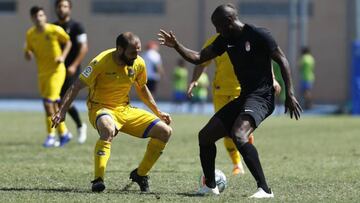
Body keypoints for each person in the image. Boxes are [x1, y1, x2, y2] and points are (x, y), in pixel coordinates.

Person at [158, 3, 301, 198]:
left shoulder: (258, 35)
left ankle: (265, 190)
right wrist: (176, 46)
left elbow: (282, 60)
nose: (216, 30)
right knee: (205, 136)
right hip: (244, 96)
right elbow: (199, 57)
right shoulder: (224, 40)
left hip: (262, 97)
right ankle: (210, 186)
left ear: (229, 21)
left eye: (218, 25)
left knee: (239, 134)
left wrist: (290, 93)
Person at [52, 32, 172, 193]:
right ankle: (98, 180)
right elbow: (76, 86)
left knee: (165, 131)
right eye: (132, 53)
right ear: (119, 49)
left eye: (138, 51)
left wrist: (158, 112)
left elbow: (142, 88)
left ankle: (140, 174)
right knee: (108, 129)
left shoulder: (138, 63)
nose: (136, 56)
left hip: (125, 110)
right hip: (100, 108)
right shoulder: (100, 61)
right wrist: (62, 111)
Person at [188, 33, 280, 175]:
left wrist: (272, 78)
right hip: (221, 91)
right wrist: (194, 80)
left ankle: (249, 160)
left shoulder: (245, 38)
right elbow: (201, 61)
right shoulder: (214, 41)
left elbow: (263, 58)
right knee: (225, 132)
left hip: (242, 91)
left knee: (242, 130)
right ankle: (237, 164)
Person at [24, 6, 73, 147]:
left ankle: (51, 135)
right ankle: (64, 133)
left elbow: (68, 41)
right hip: (42, 74)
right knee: (53, 104)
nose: (38, 18)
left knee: (47, 103)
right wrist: (28, 54)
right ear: (32, 19)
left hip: (56, 71)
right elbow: (28, 52)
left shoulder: (54, 30)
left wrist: (62, 57)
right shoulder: (30, 34)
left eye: (41, 15)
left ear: (44, 16)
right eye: (35, 16)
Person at [54, 0, 88, 144]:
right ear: (56, 8)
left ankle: (80, 126)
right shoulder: (53, 27)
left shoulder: (77, 27)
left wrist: (74, 65)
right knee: (55, 100)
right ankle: (62, 133)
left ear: (70, 9)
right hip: (56, 70)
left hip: (70, 69)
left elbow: (84, 47)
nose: (62, 9)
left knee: (64, 99)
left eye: (65, 6)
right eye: (60, 6)